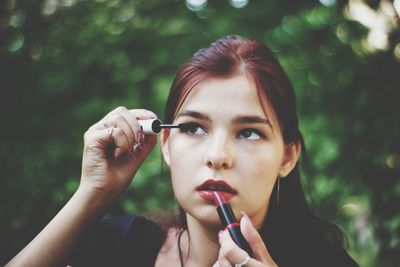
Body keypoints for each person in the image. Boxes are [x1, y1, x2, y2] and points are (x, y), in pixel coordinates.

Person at [7, 35, 359, 267]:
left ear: (288, 156)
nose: (217, 155)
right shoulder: (119, 249)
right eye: (193, 128)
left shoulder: (322, 259)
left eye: (249, 132)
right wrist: (93, 195)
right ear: (167, 145)